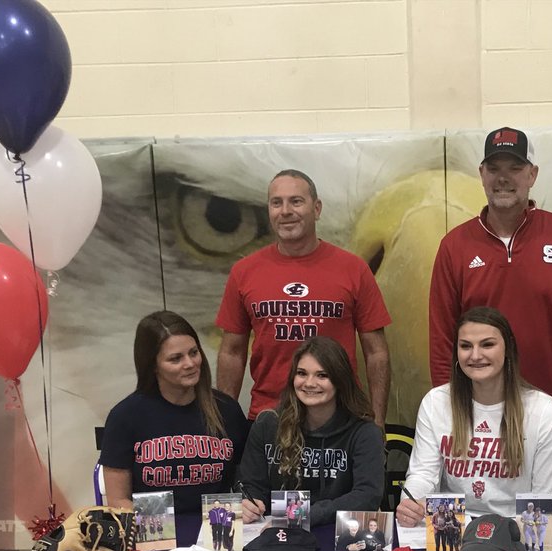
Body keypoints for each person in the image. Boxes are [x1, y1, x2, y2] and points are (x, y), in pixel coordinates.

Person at [428, 127, 552, 411]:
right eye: (494, 168)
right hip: (479, 411)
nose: (503, 178)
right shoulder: (454, 246)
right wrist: (446, 409)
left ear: (532, 174)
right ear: (482, 175)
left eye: (515, 167)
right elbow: (442, 339)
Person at [216, 169, 392, 427]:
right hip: (269, 417)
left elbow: (376, 352)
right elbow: (231, 352)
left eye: (296, 201)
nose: (285, 211)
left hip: (339, 417)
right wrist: (226, 422)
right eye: (277, 203)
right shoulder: (244, 272)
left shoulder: (354, 269)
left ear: (317, 208)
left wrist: (377, 421)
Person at [396, 307, 552, 526]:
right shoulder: (435, 402)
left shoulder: (545, 411)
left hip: (514, 529)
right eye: (465, 346)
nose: (475, 355)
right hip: (452, 524)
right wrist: (412, 503)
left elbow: (545, 498)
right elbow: (423, 474)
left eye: (487, 344)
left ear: (508, 349)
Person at [101, 311, 248, 515]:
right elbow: (118, 500)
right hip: (155, 533)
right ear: (153, 366)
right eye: (175, 359)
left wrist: (246, 504)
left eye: (194, 352)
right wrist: (161, 529)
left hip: (217, 531)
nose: (190, 364)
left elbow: (246, 481)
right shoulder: (125, 416)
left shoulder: (227, 409)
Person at [235, 336, 385, 527]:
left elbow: (367, 496)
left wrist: (304, 515)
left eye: (322, 375)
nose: (309, 383)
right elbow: (251, 485)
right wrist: (249, 503)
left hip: (337, 533)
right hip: (277, 532)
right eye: (302, 373)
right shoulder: (267, 424)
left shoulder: (364, 432)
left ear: (340, 380)